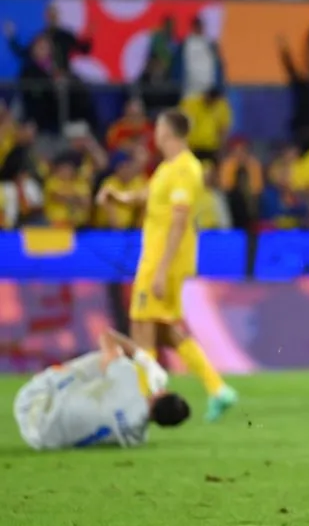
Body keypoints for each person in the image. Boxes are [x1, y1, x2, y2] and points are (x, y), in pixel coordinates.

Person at [97, 109, 238, 422]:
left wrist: (160, 271)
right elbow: (145, 196)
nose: (154, 131)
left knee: (141, 327)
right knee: (164, 331)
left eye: (158, 126)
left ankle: (146, 403)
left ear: (168, 131)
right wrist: (118, 196)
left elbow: (179, 222)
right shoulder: (167, 168)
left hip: (164, 262)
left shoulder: (187, 169)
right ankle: (217, 388)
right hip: (159, 260)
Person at [14, 329, 190, 450]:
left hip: (32, 404)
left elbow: (107, 336)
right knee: (108, 381)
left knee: (107, 360)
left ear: (162, 393)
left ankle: (55, 387)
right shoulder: (136, 439)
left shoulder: (129, 381)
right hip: (42, 441)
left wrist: (143, 359)